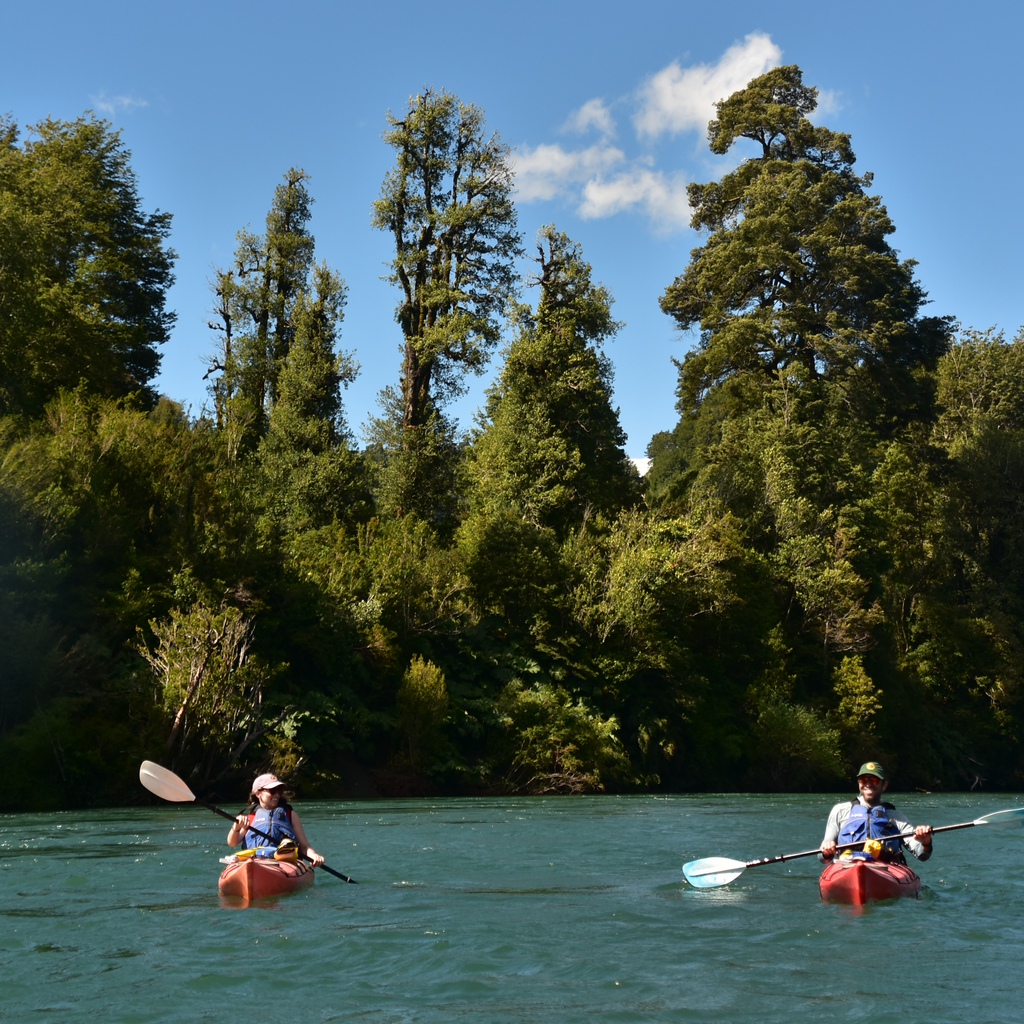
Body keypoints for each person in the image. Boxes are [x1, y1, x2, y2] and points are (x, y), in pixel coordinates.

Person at [819, 761, 933, 864]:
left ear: (884, 785)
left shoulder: (896, 817)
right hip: (847, 866)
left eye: (874, 780)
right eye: (863, 780)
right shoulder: (840, 811)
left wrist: (925, 843)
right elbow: (822, 857)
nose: (868, 784)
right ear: (858, 783)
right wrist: (826, 851)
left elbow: (921, 855)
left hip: (885, 869)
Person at [226, 773, 325, 867]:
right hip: (256, 860)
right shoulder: (251, 818)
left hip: (284, 862)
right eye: (272, 791)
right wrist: (236, 827)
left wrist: (313, 855)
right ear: (257, 793)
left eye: (279, 791)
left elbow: (304, 847)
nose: (277, 795)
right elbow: (232, 842)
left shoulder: (290, 815)